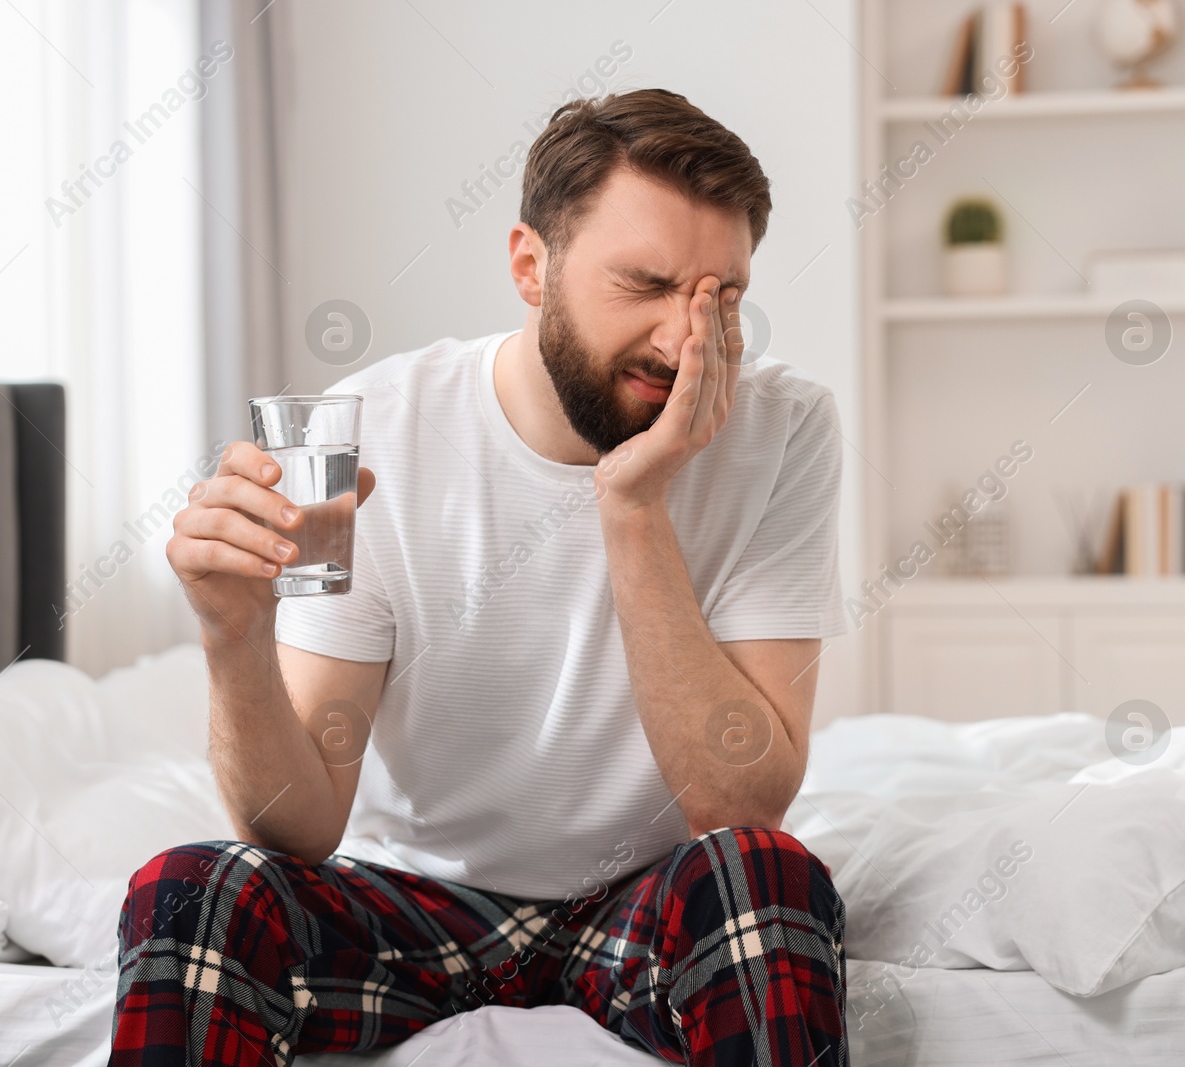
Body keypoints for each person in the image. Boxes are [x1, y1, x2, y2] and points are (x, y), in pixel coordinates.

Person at [110, 87, 848, 1067]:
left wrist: (631, 505)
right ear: (529, 267)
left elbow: (741, 801)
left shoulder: (786, 426)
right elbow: (299, 820)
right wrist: (232, 635)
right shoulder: (374, 423)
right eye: (646, 284)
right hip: (416, 905)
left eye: (720, 297)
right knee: (191, 889)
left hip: (644, 899)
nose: (685, 341)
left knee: (768, 876)